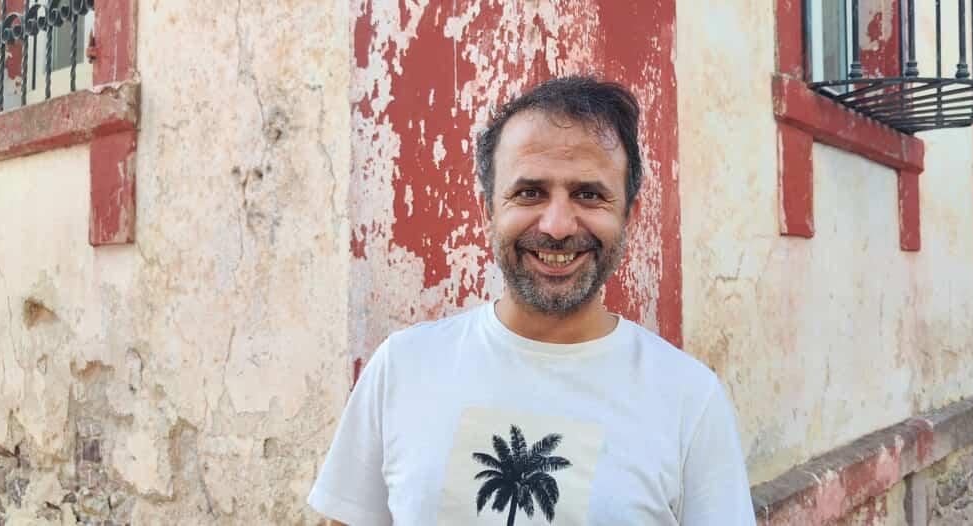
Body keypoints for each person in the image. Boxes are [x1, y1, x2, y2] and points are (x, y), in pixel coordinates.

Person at [308, 76, 755, 525]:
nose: (557, 226)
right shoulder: (402, 368)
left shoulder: (690, 400)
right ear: (488, 210)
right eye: (529, 193)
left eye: (588, 195)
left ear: (628, 217)